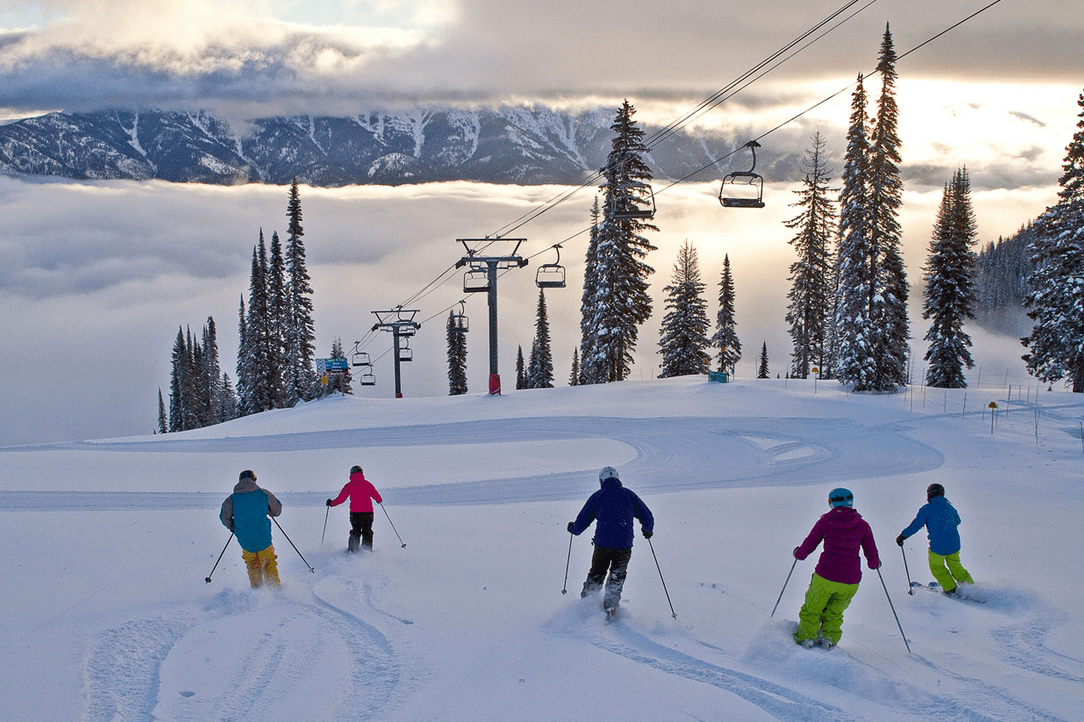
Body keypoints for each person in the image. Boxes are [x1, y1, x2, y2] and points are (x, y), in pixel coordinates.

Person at [792, 487, 880, 649]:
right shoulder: (862, 525)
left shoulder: (825, 522)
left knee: (812, 608)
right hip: (851, 580)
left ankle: (806, 638)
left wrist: (799, 554)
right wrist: (875, 564)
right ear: (850, 502)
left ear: (832, 503)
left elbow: (810, 543)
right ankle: (829, 639)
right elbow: (871, 553)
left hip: (826, 575)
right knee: (834, 612)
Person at [567, 466, 654, 617]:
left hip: (602, 545)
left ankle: (586, 605)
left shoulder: (597, 496)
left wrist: (573, 529)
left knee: (597, 573)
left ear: (601, 480)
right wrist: (647, 530)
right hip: (624, 546)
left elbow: (583, 520)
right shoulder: (629, 495)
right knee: (617, 575)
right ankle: (611, 608)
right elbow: (647, 517)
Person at [896, 482, 974, 595]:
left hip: (938, 547)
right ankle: (971, 588)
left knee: (937, 567)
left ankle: (950, 588)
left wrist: (903, 536)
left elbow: (916, 525)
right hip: (954, 545)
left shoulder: (926, 509)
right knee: (956, 566)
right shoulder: (949, 507)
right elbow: (958, 521)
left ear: (929, 495)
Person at [219, 469, 283, 588]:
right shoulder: (263, 494)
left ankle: (257, 591)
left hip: (245, 539)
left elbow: (224, 517)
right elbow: (277, 510)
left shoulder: (232, 499)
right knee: (269, 563)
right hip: (263, 537)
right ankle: (275, 589)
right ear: (254, 480)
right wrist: (267, 509)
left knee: (252, 565)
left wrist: (233, 527)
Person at [327, 465, 383, 552]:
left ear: (351, 474)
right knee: (367, 532)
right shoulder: (368, 484)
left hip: (355, 514)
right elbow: (378, 497)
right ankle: (366, 552)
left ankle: (352, 552)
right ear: (361, 473)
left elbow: (341, 499)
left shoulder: (349, 485)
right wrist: (378, 500)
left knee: (355, 532)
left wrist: (331, 503)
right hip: (368, 513)